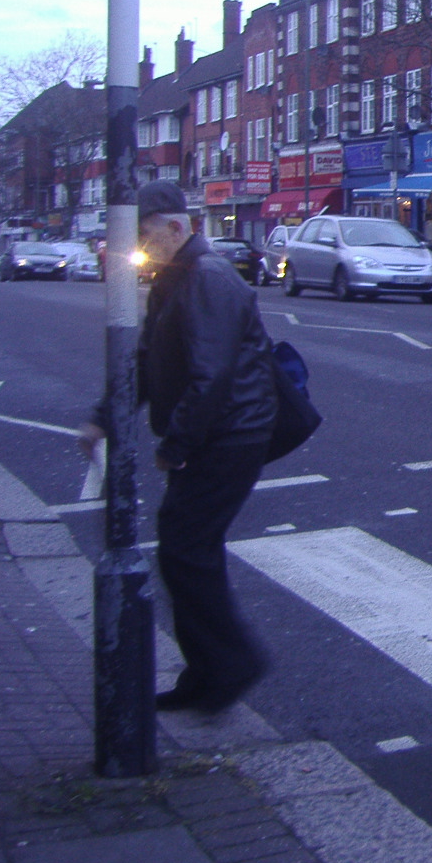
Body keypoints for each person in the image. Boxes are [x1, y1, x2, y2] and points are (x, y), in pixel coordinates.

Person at [77, 181, 278, 714]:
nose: (143, 245)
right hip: (218, 432)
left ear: (175, 226)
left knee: (185, 550)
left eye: (145, 233)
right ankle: (210, 672)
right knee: (186, 549)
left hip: (231, 434)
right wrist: (104, 418)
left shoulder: (207, 278)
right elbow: (146, 361)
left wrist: (177, 444)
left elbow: (211, 375)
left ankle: (230, 665)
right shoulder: (176, 277)